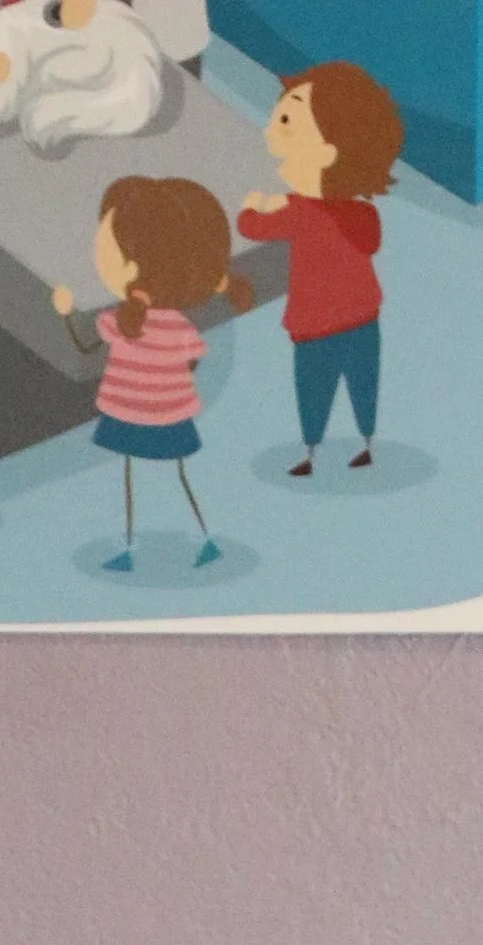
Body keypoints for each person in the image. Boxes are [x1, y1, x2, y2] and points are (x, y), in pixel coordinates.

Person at [51, 177, 253, 574]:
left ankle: (129, 547)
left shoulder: (116, 321)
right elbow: (191, 361)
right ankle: (205, 539)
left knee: (132, 481)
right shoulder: (180, 328)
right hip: (172, 418)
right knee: (177, 478)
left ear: (131, 264)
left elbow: (84, 348)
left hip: (126, 415)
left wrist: (66, 313)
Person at [238, 61, 403, 477]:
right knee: (363, 381)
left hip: (316, 325)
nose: (271, 130)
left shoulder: (299, 212)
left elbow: (251, 226)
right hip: (364, 315)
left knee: (314, 388)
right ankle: (367, 441)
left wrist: (252, 204)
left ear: (326, 151)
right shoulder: (361, 213)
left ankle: (311, 452)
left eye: (286, 122)